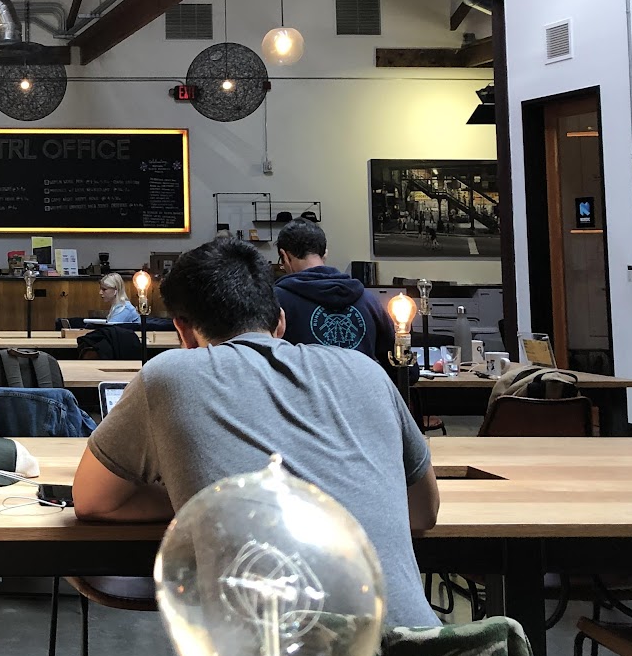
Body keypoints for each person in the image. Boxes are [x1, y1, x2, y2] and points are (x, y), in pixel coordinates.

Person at [72, 238, 440, 628]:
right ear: (281, 321)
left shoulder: (169, 376)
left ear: (182, 330)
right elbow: (423, 510)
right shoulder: (366, 372)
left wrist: (206, 496)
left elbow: (95, 501)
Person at [274, 218, 394, 365]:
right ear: (325, 253)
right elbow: (402, 368)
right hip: (363, 386)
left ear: (284, 256)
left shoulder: (276, 301)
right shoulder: (369, 301)